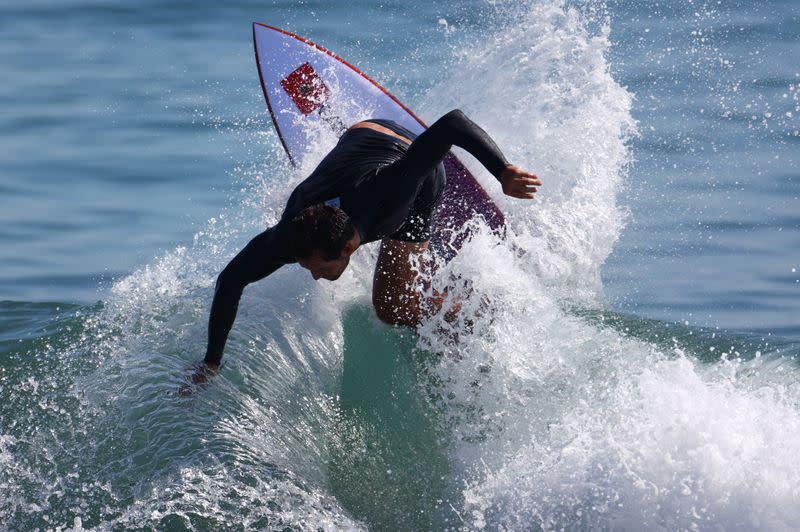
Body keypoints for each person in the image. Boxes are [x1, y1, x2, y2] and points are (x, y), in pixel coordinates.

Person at [187, 109, 541, 386]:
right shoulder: (288, 236)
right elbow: (231, 279)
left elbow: (452, 124)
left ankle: (472, 306)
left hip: (412, 178)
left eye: (319, 268)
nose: (313, 277)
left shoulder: (388, 193)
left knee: (391, 307)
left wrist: (504, 171)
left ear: (346, 247)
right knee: (389, 303)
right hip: (360, 135)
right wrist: (212, 361)